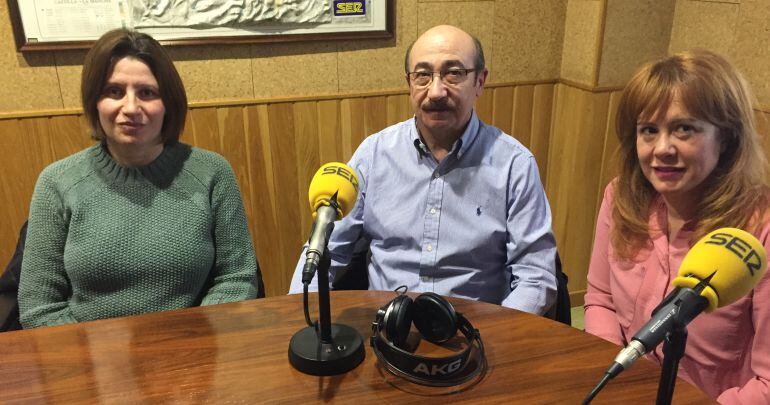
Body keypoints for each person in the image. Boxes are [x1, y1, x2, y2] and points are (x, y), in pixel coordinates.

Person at [289, 25, 557, 315]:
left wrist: (494, 339)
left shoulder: (515, 164)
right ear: (409, 83)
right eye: (423, 75)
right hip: (386, 331)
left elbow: (536, 278)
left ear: (480, 81)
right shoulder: (374, 154)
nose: (436, 91)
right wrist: (301, 315)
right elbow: (323, 252)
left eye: (454, 73)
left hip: (477, 336)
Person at [18, 29, 262, 328]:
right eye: (114, 91)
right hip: (92, 363)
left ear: (168, 103)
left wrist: (189, 342)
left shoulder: (212, 172)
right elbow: (39, 308)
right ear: (95, 101)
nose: (131, 108)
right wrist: (97, 357)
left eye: (147, 92)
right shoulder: (56, 182)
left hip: (192, 353)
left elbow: (237, 278)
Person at [584, 49, 770, 403]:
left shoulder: (761, 228)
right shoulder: (620, 196)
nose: (663, 149)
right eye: (649, 131)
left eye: (684, 129)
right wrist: (616, 385)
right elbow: (600, 300)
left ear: (726, 137)